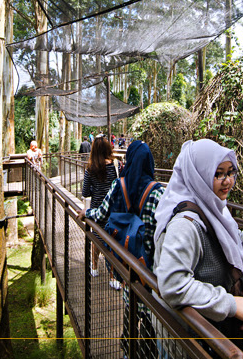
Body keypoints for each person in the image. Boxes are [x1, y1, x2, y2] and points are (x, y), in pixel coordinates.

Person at [153, 138, 243, 352]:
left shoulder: (211, 209)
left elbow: (234, 244)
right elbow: (173, 284)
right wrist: (230, 304)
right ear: (198, 174)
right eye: (218, 173)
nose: (228, 181)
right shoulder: (185, 224)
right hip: (190, 340)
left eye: (230, 172)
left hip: (208, 334)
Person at [78, 140, 164, 354]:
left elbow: (100, 214)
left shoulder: (120, 185)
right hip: (151, 272)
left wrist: (86, 214)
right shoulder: (158, 193)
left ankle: (127, 351)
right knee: (150, 327)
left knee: (130, 314)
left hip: (127, 262)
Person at [80, 135, 120, 281]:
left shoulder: (90, 169)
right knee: (112, 241)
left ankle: (95, 267)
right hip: (112, 210)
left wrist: (95, 188)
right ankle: (112, 277)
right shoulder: (115, 166)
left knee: (97, 239)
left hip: (96, 209)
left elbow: (85, 193)